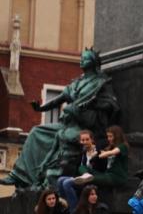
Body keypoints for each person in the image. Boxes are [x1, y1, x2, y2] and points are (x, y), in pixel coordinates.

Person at [1, 48, 119, 189]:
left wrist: (90, 107)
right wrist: (41, 108)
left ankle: (48, 176)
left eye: (85, 58)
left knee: (62, 137)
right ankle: (19, 175)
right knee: (36, 131)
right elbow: (59, 100)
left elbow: (111, 104)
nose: (81, 60)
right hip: (68, 124)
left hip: (84, 127)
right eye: (81, 57)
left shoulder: (101, 83)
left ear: (93, 62)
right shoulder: (77, 83)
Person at [56, 129, 104, 211]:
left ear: (92, 140)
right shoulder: (83, 152)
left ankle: (74, 210)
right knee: (60, 180)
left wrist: (94, 158)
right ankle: (65, 205)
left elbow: (102, 168)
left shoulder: (98, 151)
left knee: (67, 183)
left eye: (87, 139)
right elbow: (78, 167)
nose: (85, 142)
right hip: (82, 178)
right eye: (82, 140)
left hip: (93, 178)